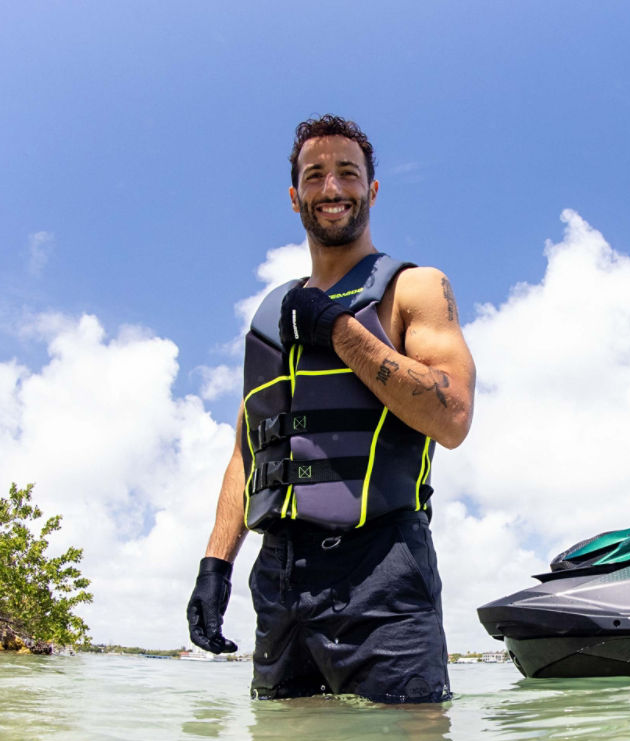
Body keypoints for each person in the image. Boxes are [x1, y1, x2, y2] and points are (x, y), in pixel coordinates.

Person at [185, 115, 475, 704]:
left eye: (348, 173)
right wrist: (215, 565)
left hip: (383, 569)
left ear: (371, 189)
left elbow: (453, 417)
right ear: (295, 197)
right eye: (315, 175)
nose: (332, 188)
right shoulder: (271, 317)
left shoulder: (415, 288)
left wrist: (341, 331)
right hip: (280, 579)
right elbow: (249, 452)